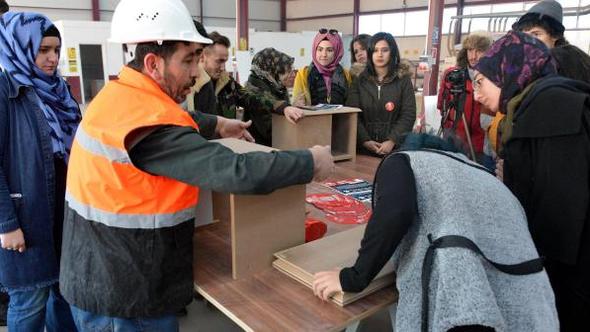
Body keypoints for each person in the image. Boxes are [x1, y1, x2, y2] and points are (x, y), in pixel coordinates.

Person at [58, 0, 334, 330]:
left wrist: (217, 124)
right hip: (125, 291)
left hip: (104, 264)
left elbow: (173, 117)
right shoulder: (147, 123)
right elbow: (235, 170)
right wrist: (309, 162)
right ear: (153, 63)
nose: (195, 72)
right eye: (189, 60)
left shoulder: (122, 93)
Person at [312, 133, 559, 332]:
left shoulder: (406, 160)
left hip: (466, 304)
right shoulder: (481, 173)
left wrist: (353, 277)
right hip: (535, 303)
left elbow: (395, 211)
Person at [474, 30, 590, 331]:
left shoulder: (551, 105)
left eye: (480, 82)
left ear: (506, 69)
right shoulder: (534, 104)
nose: (475, 95)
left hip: (572, 270)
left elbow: (563, 205)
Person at [0, 12, 79, 331]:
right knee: (30, 300)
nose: (52, 58)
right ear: (19, 46)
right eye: (43, 49)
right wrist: (6, 224)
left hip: (64, 213)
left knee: (65, 293)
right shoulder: (6, 92)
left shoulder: (59, 89)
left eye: (56, 50)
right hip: (27, 218)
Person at [190, 31, 303, 132]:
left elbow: (251, 96)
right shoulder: (190, 86)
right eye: (219, 61)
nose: (223, 67)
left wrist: (283, 107)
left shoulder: (227, 83)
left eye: (225, 62)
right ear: (202, 57)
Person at [346, 32, 416, 156]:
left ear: (392, 52)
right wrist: (365, 140)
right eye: (375, 50)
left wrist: (392, 140)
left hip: (395, 149)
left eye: (385, 50)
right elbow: (352, 113)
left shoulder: (403, 80)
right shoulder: (359, 80)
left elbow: (408, 115)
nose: (379, 54)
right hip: (363, 150)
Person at [437, 33, 492, 167]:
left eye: (479, 50)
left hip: (480, 143)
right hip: (453, 138)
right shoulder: (452, 75)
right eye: (470, 50)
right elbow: (441, 105)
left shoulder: (492, 78)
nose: (473, 56)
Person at [244, 47, 303, 146]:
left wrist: (291, 107)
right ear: (272, 70)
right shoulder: (255, 91)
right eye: (288, 71)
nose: (293, 74)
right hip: (261, 149)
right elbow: (269, 130)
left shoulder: (277, 87)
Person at [293, 28, 351, 106]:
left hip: (341, 118)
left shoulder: (346, 74)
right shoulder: (303, 74)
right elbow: (296, 103)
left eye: (329, 50)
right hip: (313, 118)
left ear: (337, 52)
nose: (324, 54)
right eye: (320, 50)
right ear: (315, 50)